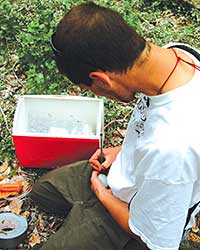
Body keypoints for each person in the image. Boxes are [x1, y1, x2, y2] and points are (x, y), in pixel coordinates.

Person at [31, 2, 200, 250]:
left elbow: (152, 238)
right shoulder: (177, 55)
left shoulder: (173, 147)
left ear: (102, 80)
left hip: (138, 216)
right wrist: (124, 151)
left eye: (88, 88)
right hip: (126, 175)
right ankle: (85, 218)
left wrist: (102, 193)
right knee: (41, 193)